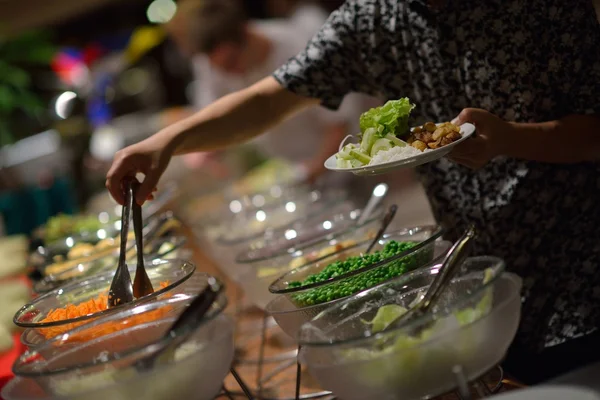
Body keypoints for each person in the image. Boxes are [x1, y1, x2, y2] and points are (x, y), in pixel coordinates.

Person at [107, 0, 600, 384]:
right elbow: (273, 98)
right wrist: (166, 142)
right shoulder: (376, 17)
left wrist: (512, 138)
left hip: (581, 279)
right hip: (474, 278)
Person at [165, 0, 369, 183]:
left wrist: (310, 172)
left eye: (232, 63)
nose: (229, 75)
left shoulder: (300, 47)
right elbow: (213, 118)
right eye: (220, 69)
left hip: (341, 167)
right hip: (285, 168)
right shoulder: (211, 62)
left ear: (247, 33)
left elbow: (338, 124)